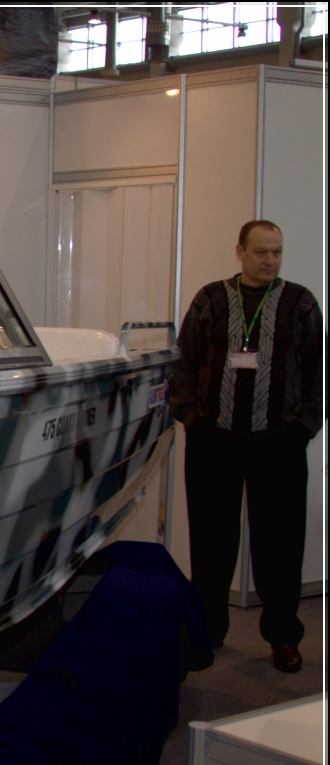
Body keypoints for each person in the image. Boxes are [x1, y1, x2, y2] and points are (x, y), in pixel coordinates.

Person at [170, 220, 323, 672]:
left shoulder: (300, 302)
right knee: (211, 544)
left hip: (279, 444)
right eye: (261, 252)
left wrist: (304, 427)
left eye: (277, 252)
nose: (270, 260)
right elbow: (185, 362)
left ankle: (283, 636)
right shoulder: (210, 299)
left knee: (280, 546)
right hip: (213, 441)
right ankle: (207, 632)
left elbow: (318, 370)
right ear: (240, 251)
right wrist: (191, 419)